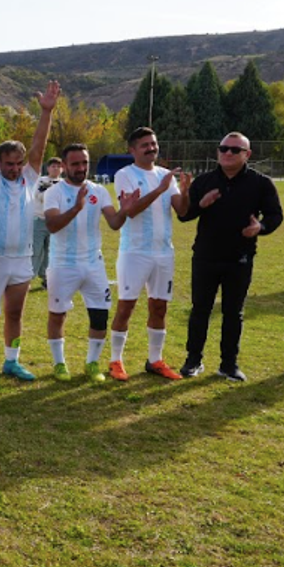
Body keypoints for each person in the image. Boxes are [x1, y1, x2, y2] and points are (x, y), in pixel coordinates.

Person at [0, 81, 57, 382]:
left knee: (15, 314)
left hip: (21, 259)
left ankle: (11, 361)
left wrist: (47, 112)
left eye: (18, 163)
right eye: (9, 164)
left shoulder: (30, 178)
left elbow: (39, 145)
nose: (14, 169)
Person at [176, 133, 283, 381]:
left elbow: (275, 215)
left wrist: (261, 227)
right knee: (200, 310)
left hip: (239, 258)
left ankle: (229, 364)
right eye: (223, 148)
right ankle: (193, 360)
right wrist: (200, 204)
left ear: (248, 154)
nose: (227, 153)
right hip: (205, 256)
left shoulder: (260, 183)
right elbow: (184, 215)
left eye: (235, 150)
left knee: (233, 313)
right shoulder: (205, 181)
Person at [43, 143, 132, 382]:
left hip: (93, 263)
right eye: (75, 164)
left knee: (100, 315)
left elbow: (114, 223)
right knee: (58, 314)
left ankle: (92, 363)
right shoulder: (54, 192)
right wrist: (76, 208)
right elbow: (52, 225)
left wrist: (125, 210)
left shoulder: (98, 191)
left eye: (85, 162)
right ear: (64, 166)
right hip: (63, 264)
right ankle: (59, 363)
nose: (81, 168)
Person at [110, 127, 191, 381]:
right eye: (145, 145)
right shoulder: (124, 175)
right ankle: (115, 361)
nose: (151, 148)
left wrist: (185, 191)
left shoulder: (165, 175)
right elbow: (131, 211)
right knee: (126, 306)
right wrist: (158, 190)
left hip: (163, 253)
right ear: (132, 150)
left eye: (153, 143)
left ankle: (155, 360)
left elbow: (181, 211)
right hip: (135, 252)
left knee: (159, 307)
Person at [32, 157, 63, 289]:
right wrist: (52, 192)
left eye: (58, 166)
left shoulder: (64, 183)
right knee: (36, 250)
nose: (55, 168)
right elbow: (40, 196)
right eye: (53, 166)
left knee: (50, 252)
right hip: (39, 220)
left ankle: (46, 277)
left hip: (55, 222)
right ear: (48, 168)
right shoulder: (41, 181)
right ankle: (28, 277)